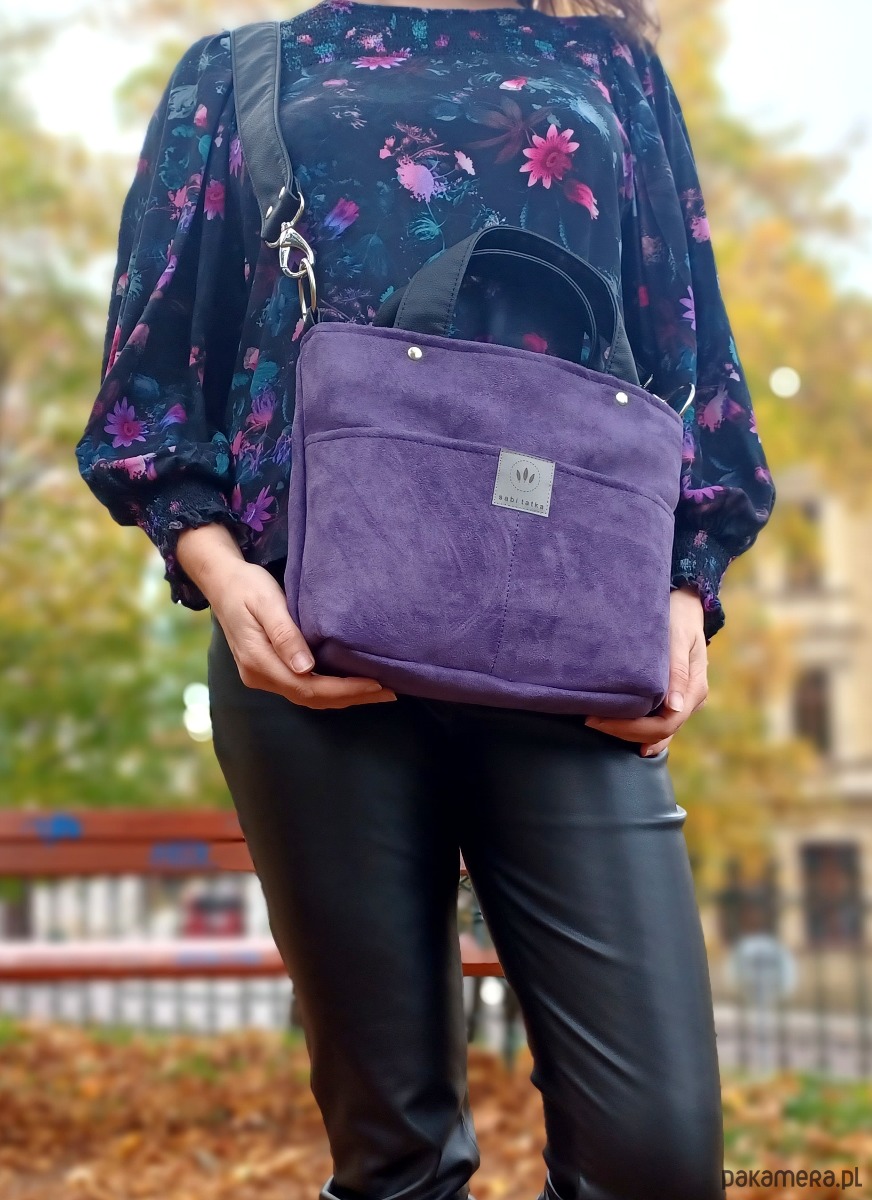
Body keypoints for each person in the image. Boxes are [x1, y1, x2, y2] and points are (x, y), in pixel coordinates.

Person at [75, 0, 776, 1196]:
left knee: (657, 1156)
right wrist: (220, 575)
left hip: (572, 645)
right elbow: (150, 378)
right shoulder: (237, 71)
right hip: (309, 647)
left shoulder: (605, 64)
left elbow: (685, 348)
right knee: (394, 1158)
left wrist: (683, 586)